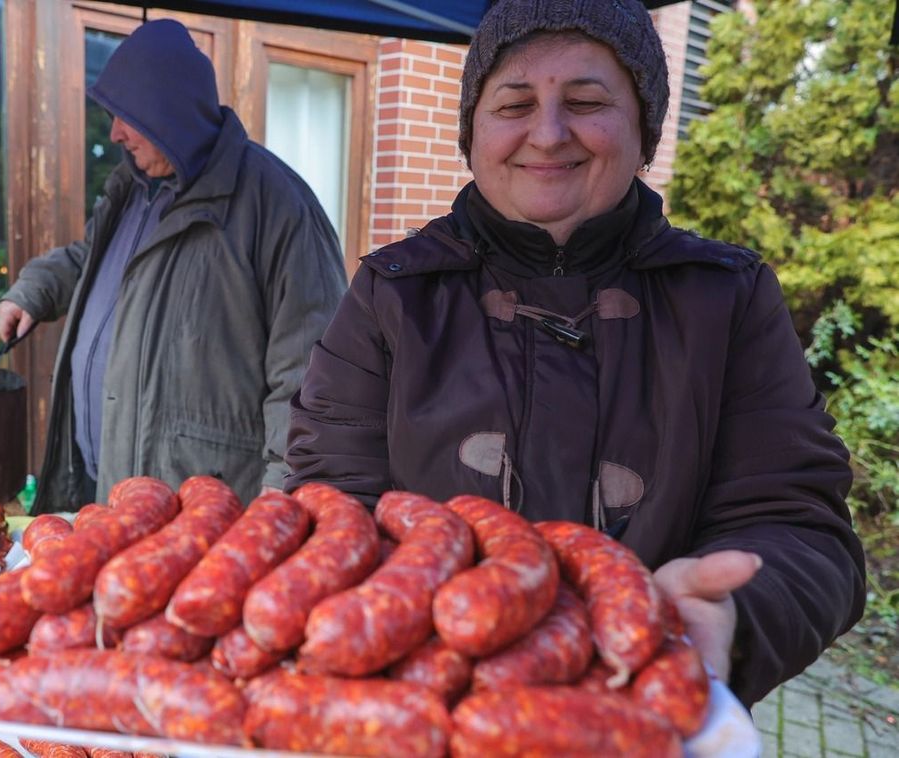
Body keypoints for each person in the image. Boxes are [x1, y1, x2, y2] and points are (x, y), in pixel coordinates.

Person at [286, 0, 865, 707]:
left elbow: (799, 524)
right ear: (472, 129)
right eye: (513, 103)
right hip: (426, 710)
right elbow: (331, 499)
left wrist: (733, 616)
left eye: (587, 101)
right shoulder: (391, 292)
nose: (548, 132)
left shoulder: (728, 300)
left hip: (640, 711)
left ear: (643, 131)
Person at [0, 19, 345, 514]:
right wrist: (33, 290)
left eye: (126, 115)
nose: (115, 132)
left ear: (170, 112)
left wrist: (279, 504)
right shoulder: (135, 187)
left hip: (202, 512)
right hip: (107, 492)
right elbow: (93, 260)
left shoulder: (279, 205)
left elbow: (311, 377)